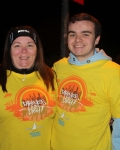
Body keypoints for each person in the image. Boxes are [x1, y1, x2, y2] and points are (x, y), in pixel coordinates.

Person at [0, 26, 57, 150]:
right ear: (9, 50)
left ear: (37, 49)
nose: (24, 51)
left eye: (30, 45)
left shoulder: (52, 77)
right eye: (17, 45)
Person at [51, 13, 120, 150]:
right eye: (72, 34)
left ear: (97, 39)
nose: (78, 40)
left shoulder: (114, 72)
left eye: (86, 34)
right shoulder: (58, 67)